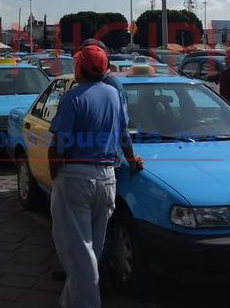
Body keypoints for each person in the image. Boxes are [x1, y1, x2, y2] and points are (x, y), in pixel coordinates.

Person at [47, 44, 142, 308]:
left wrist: (56, 176)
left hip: (76, 177)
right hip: (108, 178)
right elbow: (124, 135)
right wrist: (132, 159)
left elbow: (58, 145)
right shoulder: (113, 94)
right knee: (91, 252)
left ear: (79, 67)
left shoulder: (73, 97)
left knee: (78, 254)